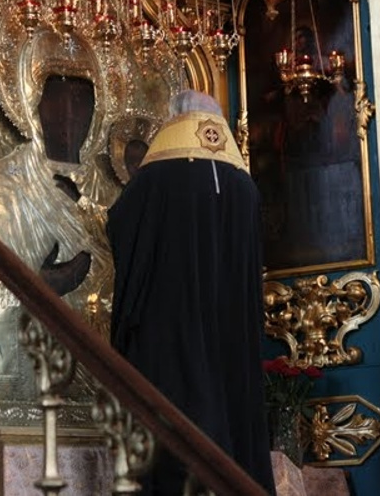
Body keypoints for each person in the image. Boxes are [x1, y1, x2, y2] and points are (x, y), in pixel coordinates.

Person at [107, 90, 276, 495]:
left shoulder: (154, 180)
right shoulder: (246, 188)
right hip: (233, 338)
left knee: (176, 433)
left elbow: (120, 227)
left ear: (176, 120)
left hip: (171, 331)